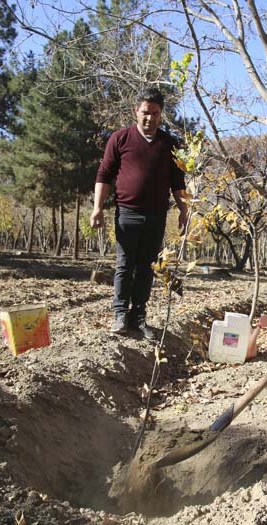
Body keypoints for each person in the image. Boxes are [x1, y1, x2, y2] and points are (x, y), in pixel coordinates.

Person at [90, 88, 188, 339]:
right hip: (127, 214)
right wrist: (97, 208)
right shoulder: (120, 139)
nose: (150, 118)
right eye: (145, 112)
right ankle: (120, 314)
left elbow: (178, 181)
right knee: (125, 265)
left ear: (161, 114)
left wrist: (184, 210)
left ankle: (139, 316)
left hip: (156, 216)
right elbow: (104, 174)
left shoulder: (169, 143)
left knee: (146, 267)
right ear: (136, 111)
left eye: (155, 113)